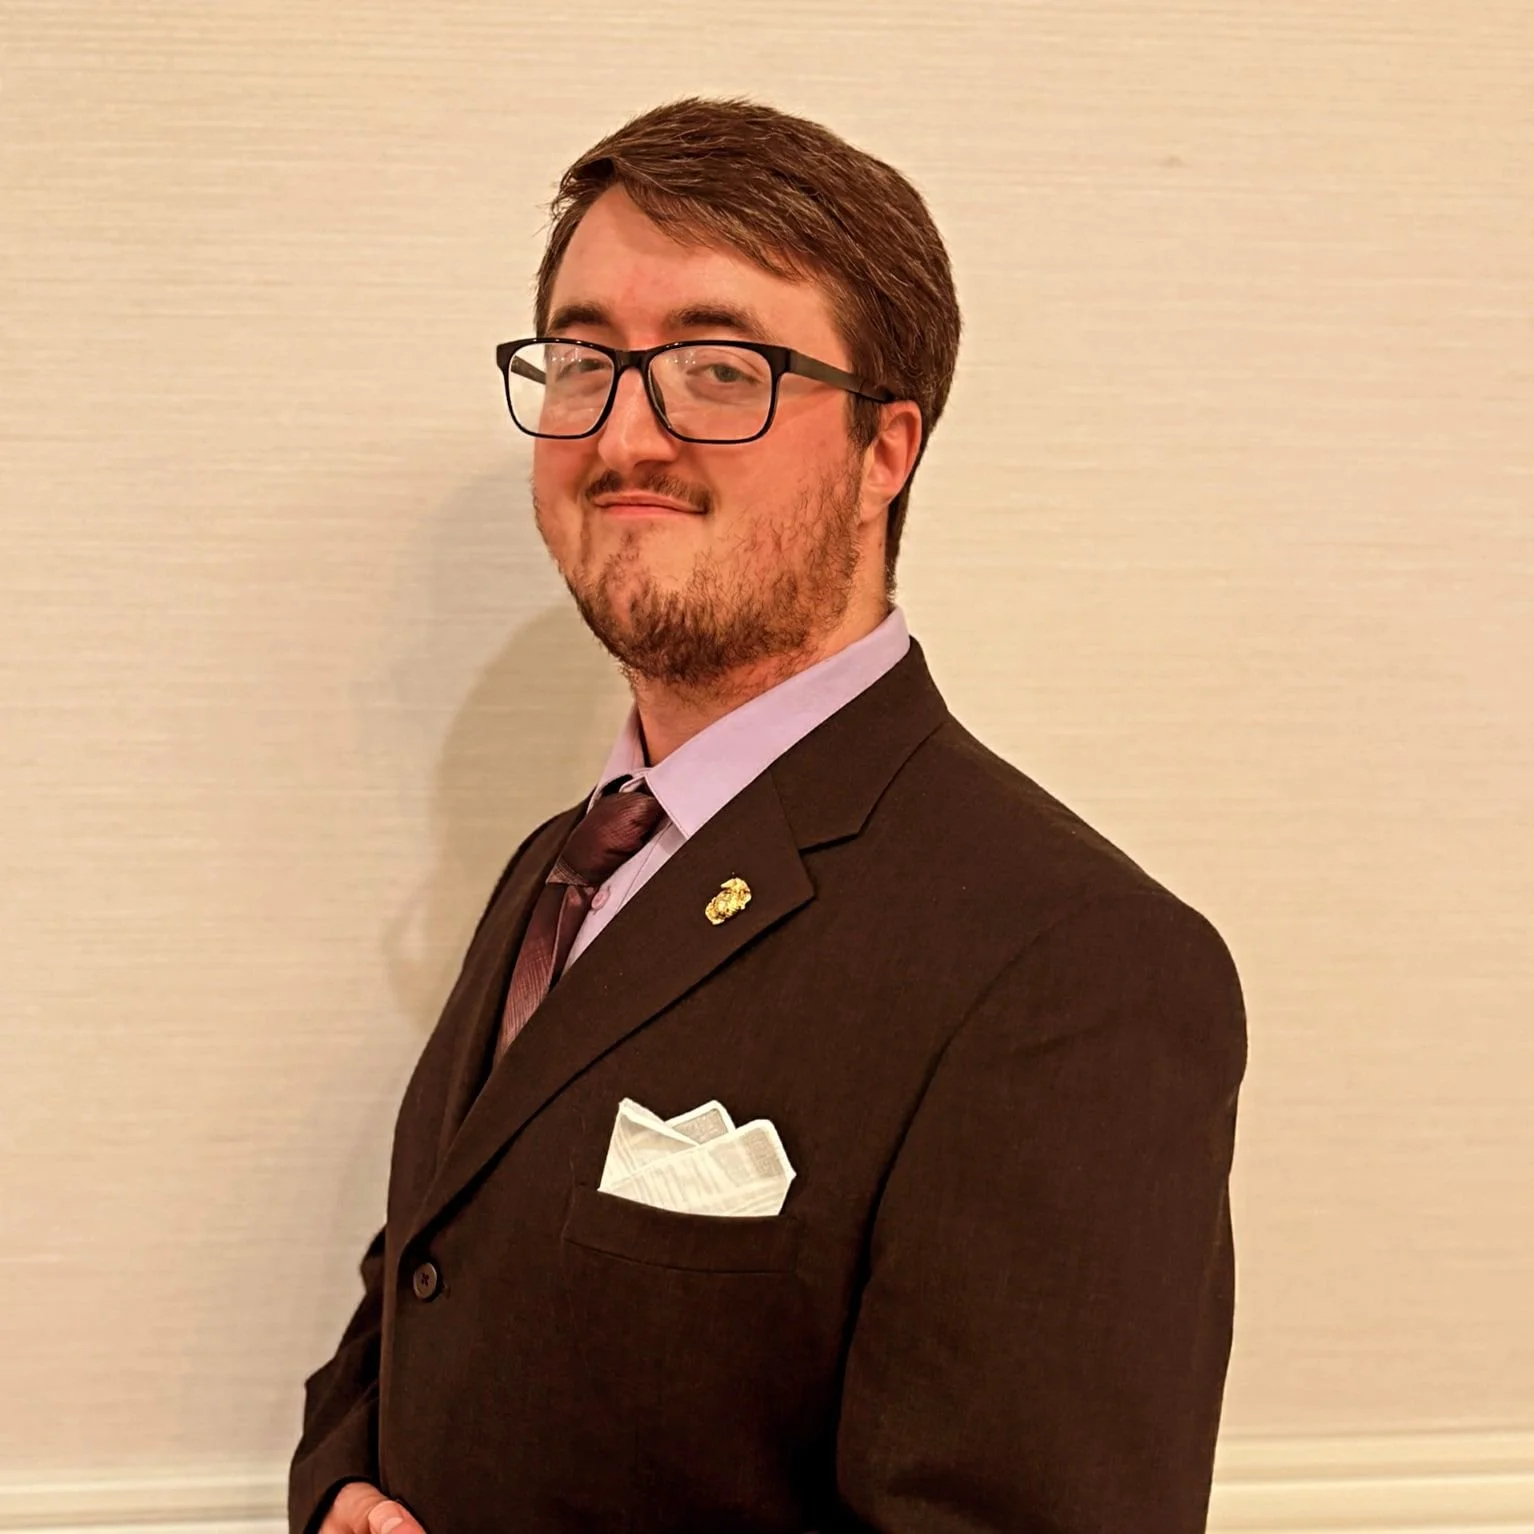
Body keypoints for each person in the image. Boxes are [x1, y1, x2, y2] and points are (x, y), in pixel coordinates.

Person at [289, 97, 1247, 1534]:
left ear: (885, 447)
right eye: (583, 357)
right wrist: (340, 1493)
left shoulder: (1074, 966)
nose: (627, 429)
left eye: (719, 366)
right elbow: (427, 1283)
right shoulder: (562, 866)